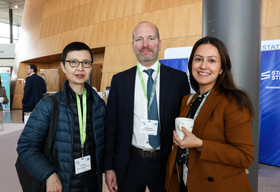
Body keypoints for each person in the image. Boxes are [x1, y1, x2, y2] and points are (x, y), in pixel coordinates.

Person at [104, 21, 190, 192]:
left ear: (159, 43)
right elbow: (111, 127)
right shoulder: (119, 81)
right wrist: (109, 167)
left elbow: (184, 121)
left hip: (165, 163)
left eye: (151, 38)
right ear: (133, 45)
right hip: (130, 162)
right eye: (139, 39)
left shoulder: (178, 79)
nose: (145, 45)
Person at [165, 36, 254, 192]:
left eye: (211, 61)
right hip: (186, 182)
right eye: (198, 59)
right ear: (191, 64)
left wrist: (200, 144)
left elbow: (244, 157)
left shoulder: (233, 102)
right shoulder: (188, 100)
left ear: (221, 69)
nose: (203, 66)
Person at [17, 42, 106, 192]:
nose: (80, 68)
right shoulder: (48, 105)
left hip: (92, 183)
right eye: (73, 62)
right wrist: (49, 174)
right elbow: (26, 146)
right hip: (62, 185)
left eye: (86, 63)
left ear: (91, 66)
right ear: (63, 66)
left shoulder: (99, 104)